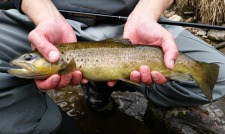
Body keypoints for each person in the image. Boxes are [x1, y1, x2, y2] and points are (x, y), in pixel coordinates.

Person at [0, 0, 224, 133]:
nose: (25, 61)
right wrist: (44, 15)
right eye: (31, 58)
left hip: (132, 23)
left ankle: (104, 86)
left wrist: (147, 13)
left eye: (29, 59)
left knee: (220, 77)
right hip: (42, 22)